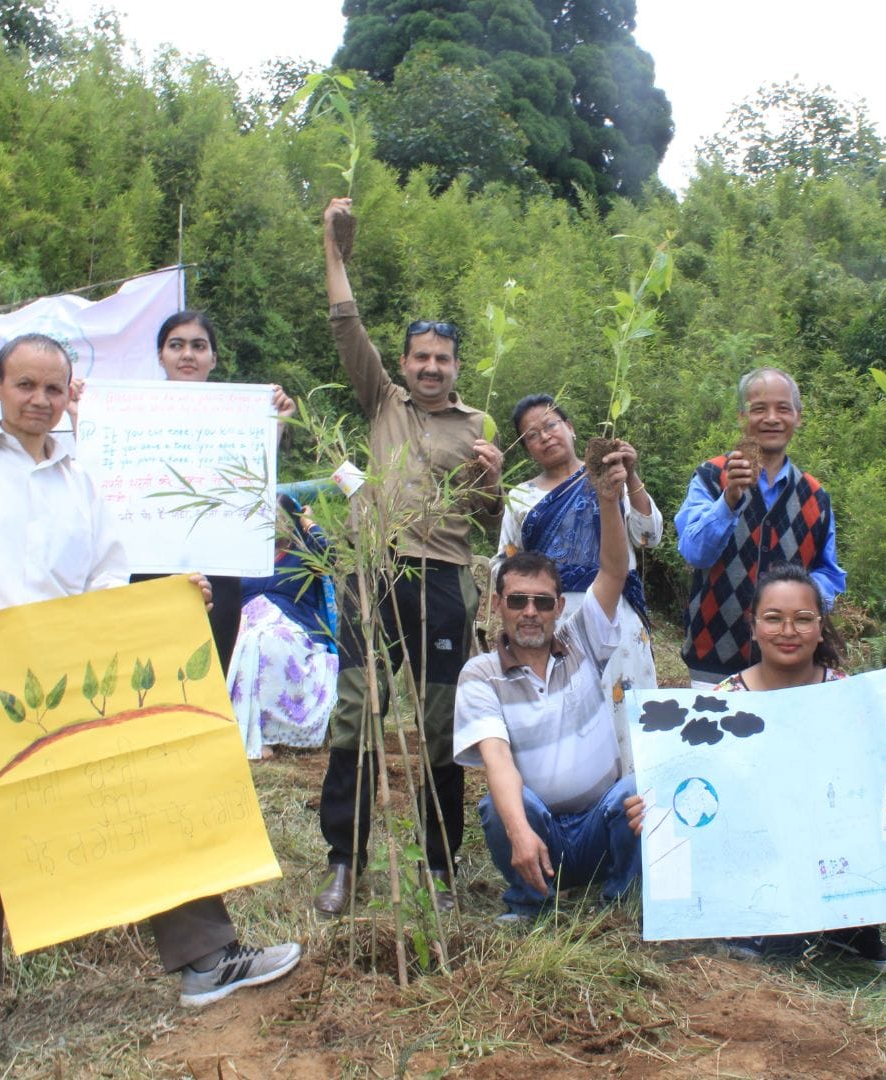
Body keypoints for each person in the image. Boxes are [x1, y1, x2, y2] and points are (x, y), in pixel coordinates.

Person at [0, 334, 300, 1080]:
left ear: (71, 397)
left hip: (70, 671)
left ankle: (205, 958)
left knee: (134, 797)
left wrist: (169, 599)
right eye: (25, 385)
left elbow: (106, 578)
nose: (38, 400)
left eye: (52, 389)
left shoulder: (83, 479)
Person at [315, 197, 503, 918]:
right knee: (358, 709)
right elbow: (345, 324)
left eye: (442, 359)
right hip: (371, 567)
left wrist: (489, 482)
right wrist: (335, 252)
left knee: (439, 721)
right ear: (403, 364)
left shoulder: (478, 424)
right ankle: (344, 862)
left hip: (444, 577)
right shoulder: (381, 402)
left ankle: (438, 866)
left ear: (458, 367)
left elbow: (486, 519)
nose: (430, 368)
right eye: (420, 357)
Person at [625, 562, 886, 967]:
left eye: (803, 620)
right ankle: (755, 921)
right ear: (752, 626)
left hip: (830, 849)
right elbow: (694, 793)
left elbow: (877, 785)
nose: (788, 631)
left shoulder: (852, 697)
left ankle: (854, 927)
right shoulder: (720, 702)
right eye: (774, 619)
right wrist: (654, 810)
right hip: (756, 851)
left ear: (821, 627)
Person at [454, 444, 638, 921]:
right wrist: (518, 832)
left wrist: (606, 501)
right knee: (500, 807)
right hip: (539, 836)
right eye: (517, 602)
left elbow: (614, 570)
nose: (530, 613)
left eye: (541, 602)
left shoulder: (581, 638)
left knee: (640, 788)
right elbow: (496, 760)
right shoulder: (481, 675)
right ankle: (531, 900)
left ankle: (620, 898)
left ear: (561, 606)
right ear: (498, 606)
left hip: (601, 823)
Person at [493, 394, 662, 769]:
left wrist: (631, 476)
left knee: (628, 712)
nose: (545, 437)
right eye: (532, 435)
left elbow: (649, 536)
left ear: (569, 427)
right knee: (569, 716)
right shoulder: (521, 497)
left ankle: (637, 805)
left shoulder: (608, 476)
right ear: (527, 448)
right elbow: (504, 564)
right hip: (557, 621)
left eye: (551, 425)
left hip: (618, 613)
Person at [135, 310, 296, 675]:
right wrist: (85, 414)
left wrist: (277, 424)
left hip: (220, 572)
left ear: (213, 358)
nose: (187, 354)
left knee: (208, 684)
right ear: (161, 355)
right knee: (147, 683)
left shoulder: (240, 417)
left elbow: (252, 481)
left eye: (198, 345)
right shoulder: (132, 412)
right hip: (147, 572)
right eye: (176, 345)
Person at [676, 367, 846, 689]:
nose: (772, 418)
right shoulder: (711, 477)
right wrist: (729, 500)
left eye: (783, 408)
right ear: (742, 417)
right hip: (714, 659)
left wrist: (800, 607)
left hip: (791, 665)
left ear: (798, 417)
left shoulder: (815, 496)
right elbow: (694, 552)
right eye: (759, 409)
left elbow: (829, 573)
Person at [227, 494, 340, 760]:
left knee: (264, 641)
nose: (272, 523)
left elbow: (330, 557)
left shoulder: (302, 554)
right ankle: (238, 735)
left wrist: (309, 524)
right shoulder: (246, 557)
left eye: (278, 517)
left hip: (293, 627)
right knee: (246, 640)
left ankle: (261, 737)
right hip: (246, 623)